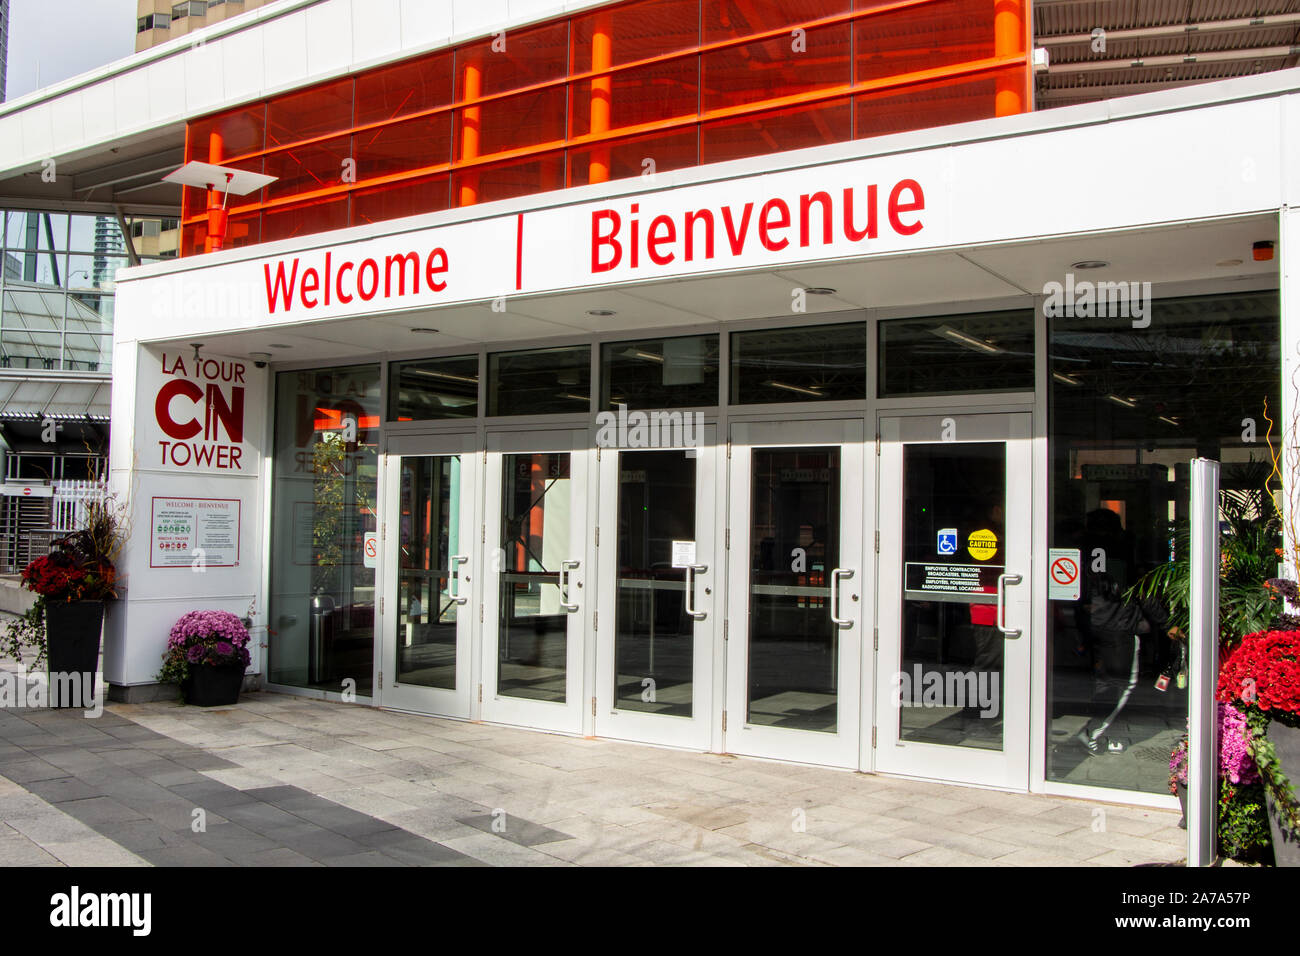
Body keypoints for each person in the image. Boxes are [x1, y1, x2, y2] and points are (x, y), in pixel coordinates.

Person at [1076, 572, 1183, 755]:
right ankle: (1092, 732)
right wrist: (1168, 624)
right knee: (1123, 685)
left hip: (1101, 629)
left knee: (1106, 683)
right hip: (1120, 634)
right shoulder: (1127, 572)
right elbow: (1145, 599)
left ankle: (1108, 734)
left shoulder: (1101, 568)